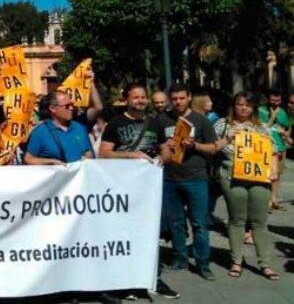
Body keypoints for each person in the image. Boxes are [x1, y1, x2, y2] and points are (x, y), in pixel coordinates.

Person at [96, 82, 180, 300]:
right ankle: (122, 282)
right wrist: (130, 156)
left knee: (150, 234)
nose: (141, 101)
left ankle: (150, 278)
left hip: (148, 190)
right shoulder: (116, 123)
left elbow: (165, 150)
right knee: (123, 234)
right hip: (122, 189)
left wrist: (164, 156)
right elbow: (104, 154)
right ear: (126, 99)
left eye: (143, 97)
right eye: (136, 97)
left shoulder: (155, 123)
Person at [213, 91, 279, 281]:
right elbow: (211, 147)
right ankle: (236, 261)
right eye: (240, 104)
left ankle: (264, 263)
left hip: (259, 179)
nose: (243, 108)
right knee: (237, 219)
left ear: (253, 108)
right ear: (234, 106)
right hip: (231, 177)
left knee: (259, 220)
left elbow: (273, 150)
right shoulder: (222, 124)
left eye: (247, 105)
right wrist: (227, 138)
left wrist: (274, 171)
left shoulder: (262, 127)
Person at [156, 83, 218, 281]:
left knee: (199, 224)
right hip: (170, 178)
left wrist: (194, 145)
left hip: (196, 178)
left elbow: (213, 148)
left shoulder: (201, 121)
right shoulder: (162, 119)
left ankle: (203, 264)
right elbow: (155, 145)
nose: (178, 102)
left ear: (189, 97)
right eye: (174, 99)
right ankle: (180, 258)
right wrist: (164, 146)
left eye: (182, 98)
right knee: (176, 223)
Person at [24, 90, 93, 165]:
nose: (71, 108)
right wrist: (51, 162)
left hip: (79, 176)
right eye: (67, 106)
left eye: (72, 105)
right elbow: (28, 159)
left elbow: (88, 152)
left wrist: (87, 159)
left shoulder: (79, 128)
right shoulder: (40, 132)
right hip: (56, 176)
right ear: (53, 108)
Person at [257, 89, 291, 210]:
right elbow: (261, 128)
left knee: (277, 175)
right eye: (273, 100)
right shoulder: (260, 110)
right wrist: (272, 117)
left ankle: (274, 200)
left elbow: (286, 127)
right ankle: (265, 201)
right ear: (268, 99)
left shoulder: (282, 111)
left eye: (278, 100)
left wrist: (285, 134)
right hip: (264, 146)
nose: (276, 103)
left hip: (280, 146)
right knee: (265, 174)